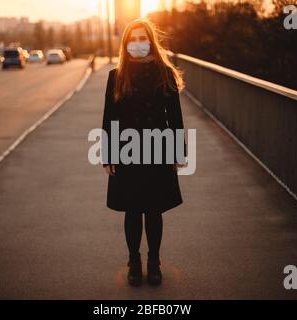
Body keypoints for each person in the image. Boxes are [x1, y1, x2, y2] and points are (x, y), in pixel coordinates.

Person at [101, 19, 186, 286]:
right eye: (133, 40)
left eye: (143, 38)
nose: (138, 44)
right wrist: (108, 155)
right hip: (127, 151)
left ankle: (154, 261)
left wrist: (177, 151)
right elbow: (109, 117)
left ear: (151, 41)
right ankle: (134, 261)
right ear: (126, 45)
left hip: (158, 148)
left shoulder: (165, 73)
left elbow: (175, 117)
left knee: (153, 209)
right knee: (132, 209)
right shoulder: (116, 75)